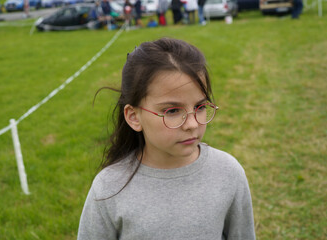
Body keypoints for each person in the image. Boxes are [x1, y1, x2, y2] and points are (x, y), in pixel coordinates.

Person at [77, 38, 256, 240]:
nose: (192, 124)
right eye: (172, 110)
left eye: (200, 107)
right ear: (134, 117)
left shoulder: (228, 172)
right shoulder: (109, 187)